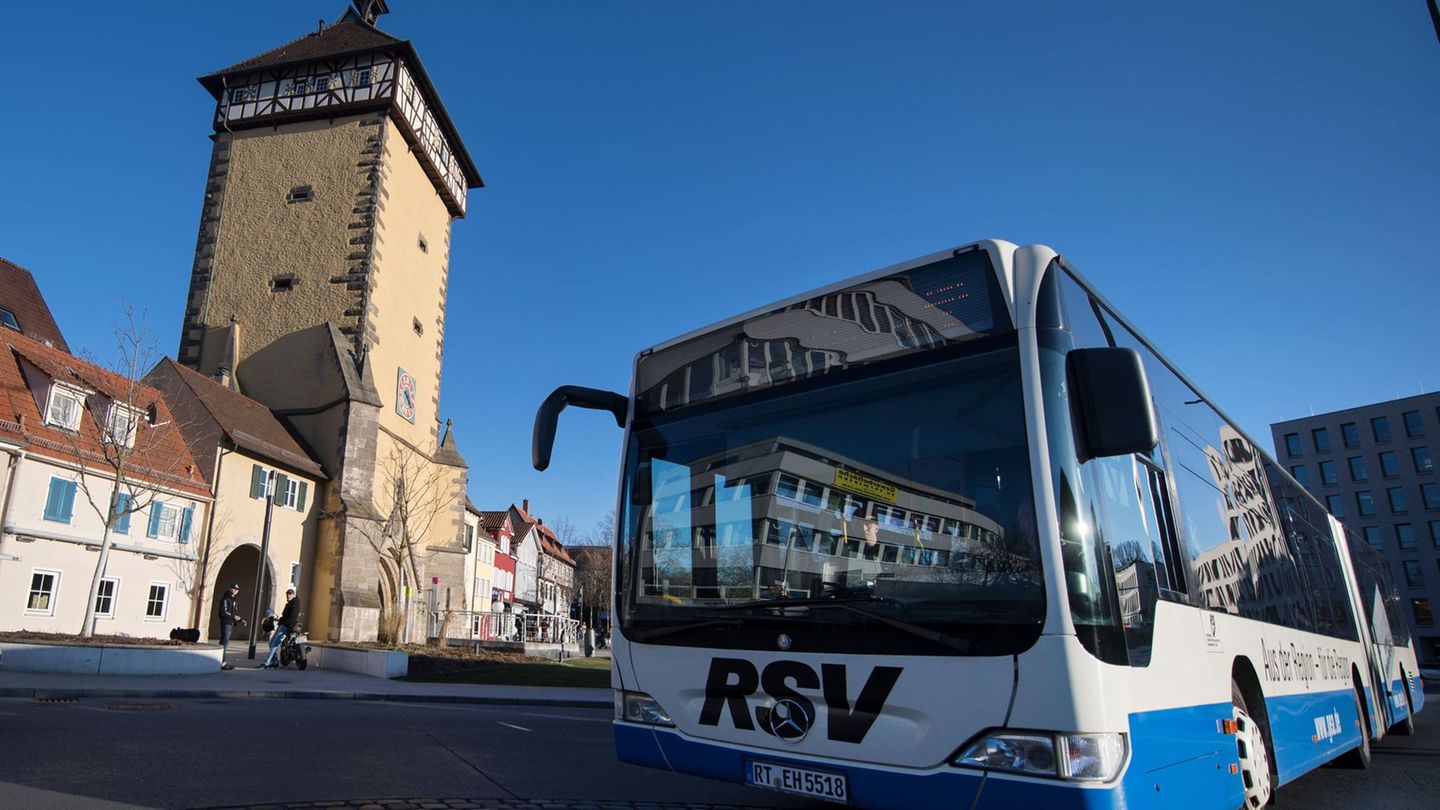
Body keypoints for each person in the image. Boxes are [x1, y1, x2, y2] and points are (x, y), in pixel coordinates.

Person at [262, 588, 300, 669]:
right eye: (287, 594)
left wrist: (283, 622)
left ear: (293, 595)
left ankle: (267, 662)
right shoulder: (291, 603)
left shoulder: (294, 604)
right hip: (284, 625)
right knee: (271, 643)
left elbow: (291, 618)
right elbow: (287, 617)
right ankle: (274, 662)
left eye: (290, 594)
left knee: (274, 644)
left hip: (287, 626)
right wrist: (280, 620)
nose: (288, 596)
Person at [217, 583, 245, 671]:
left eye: (236, 589)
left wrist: (240, 620)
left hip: (230, 622)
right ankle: (222, 662)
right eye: (233, 588)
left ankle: (221, 661)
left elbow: (234, 612)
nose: (234, 590)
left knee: (225, 642)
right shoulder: (226, 598)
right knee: (224, 642)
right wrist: (233, 617)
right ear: (230, 589)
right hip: (226, 622)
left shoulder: (234, 599)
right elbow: (223, 612)